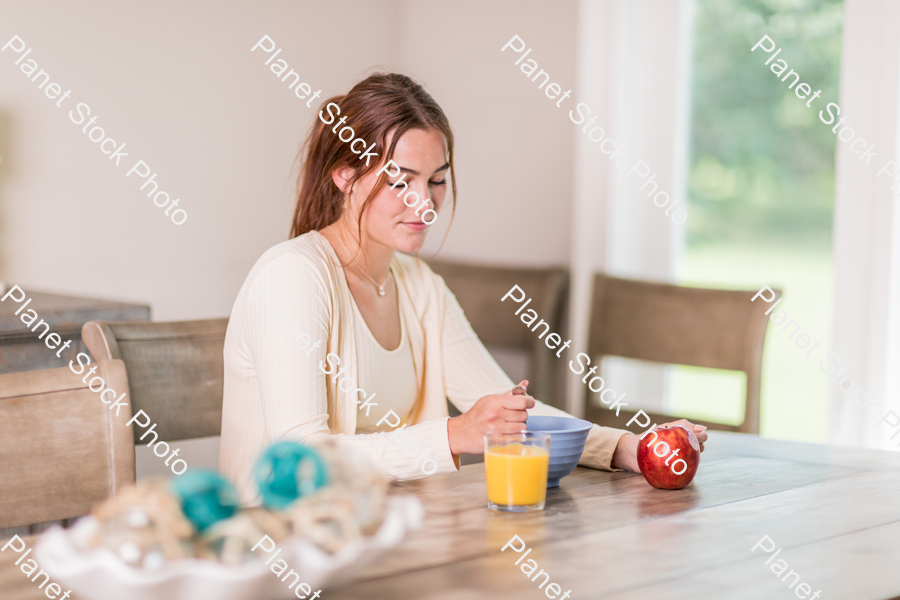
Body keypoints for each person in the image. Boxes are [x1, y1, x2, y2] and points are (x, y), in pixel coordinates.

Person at [219, 73, 707, 502]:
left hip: (385, 540)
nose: (424, 202)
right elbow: (300, 459)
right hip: (277, 553)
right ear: (345, 175)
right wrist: (453, 435)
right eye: (400, 181)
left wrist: (631, 448)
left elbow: (507, 409)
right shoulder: (293, 276)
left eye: (436, 180)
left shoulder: (417, 285)